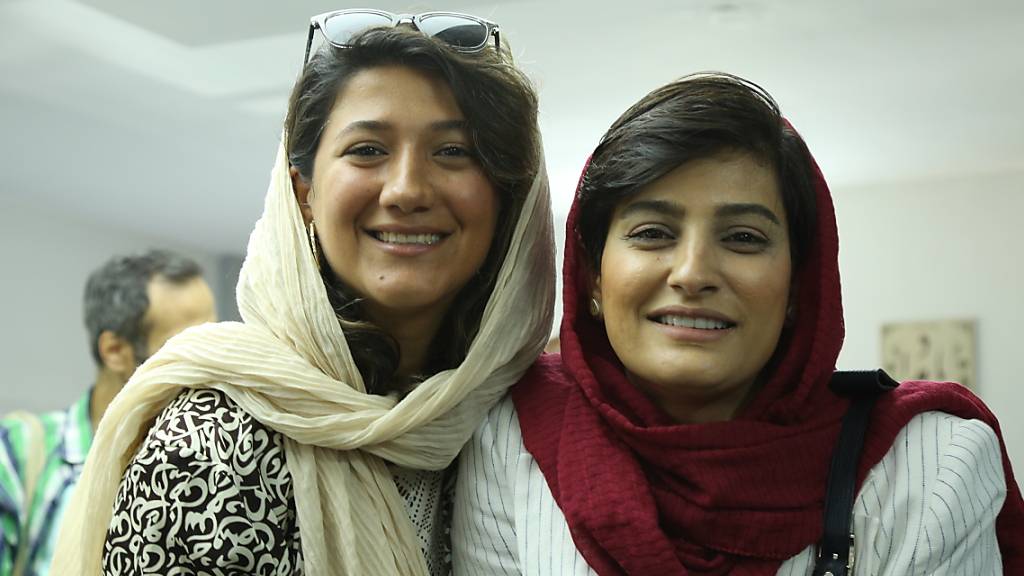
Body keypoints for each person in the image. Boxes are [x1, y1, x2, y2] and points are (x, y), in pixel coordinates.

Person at [453, 73, 1024, 575]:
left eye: (743, 238)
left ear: (801, 286)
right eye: (653, 233)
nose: (693, 273)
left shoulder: (933, 461)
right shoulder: (511, 436)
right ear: (593, 278)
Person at [51, 10, 554, 576]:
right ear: (305, 193)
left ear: (505, 198)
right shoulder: (217, 440)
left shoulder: (525, 424)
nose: (408, 189)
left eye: (454, 152)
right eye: (367, 150)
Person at [0, 250, 215, 576]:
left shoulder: (210, 460)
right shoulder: (20, 451)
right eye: (188, 344)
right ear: (115, 351)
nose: (214, 360)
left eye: (215, 337)